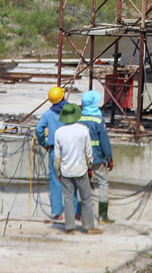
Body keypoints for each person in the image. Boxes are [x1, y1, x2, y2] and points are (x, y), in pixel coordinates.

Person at [54, 103, 101, 234]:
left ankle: (69, 227)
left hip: (66, 170)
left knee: (68, 199)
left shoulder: (59, 132)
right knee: (86, 198)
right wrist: (90, 166)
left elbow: (57, 156)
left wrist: (58, 171)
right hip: (81, 168)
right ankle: (89, 226)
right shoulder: (83, 130)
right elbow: (88, 152)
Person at [79, 89, 114, 223]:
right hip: (97, 158)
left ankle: (84, 215)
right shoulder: (99, 120)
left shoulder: (79, 119)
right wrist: (109, 157)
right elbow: (104, 142)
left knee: (84, 184)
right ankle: (102, 216)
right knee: (103, 183)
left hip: (82, 158)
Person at [35, 85, 68, 221]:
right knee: (75, 179)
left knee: (55, 181)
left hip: (55, 151)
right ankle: (76, 211)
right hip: (71, 150)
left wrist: (44, 143)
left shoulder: (49, 114)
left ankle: (58, 212)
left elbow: (38, 129)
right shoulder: (70, 111)